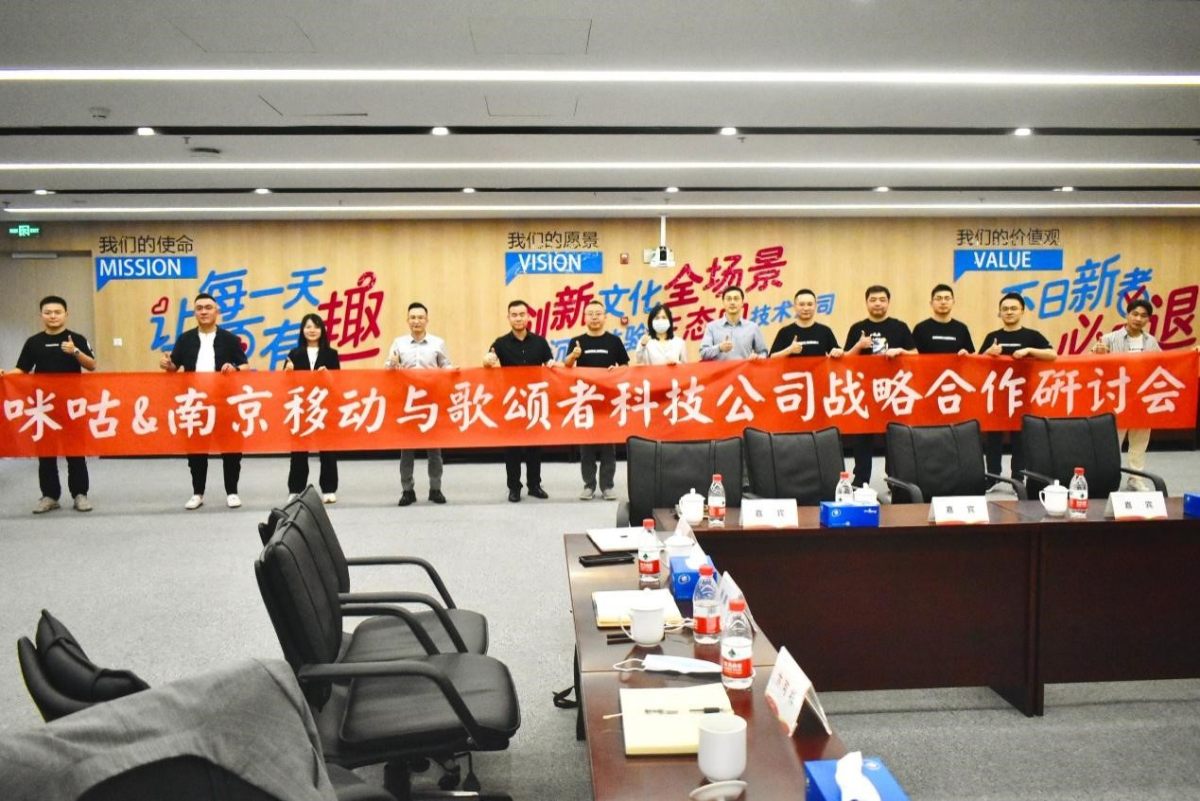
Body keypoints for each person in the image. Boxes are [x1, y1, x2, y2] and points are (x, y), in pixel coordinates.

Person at [1, 296, 97, 513]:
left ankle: (80, 494)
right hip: (43, 407)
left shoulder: (76, 339)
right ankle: (50, 496)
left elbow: (92, 365)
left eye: (57, 312)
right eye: (48, 312)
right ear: (41, 315)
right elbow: (22, 369)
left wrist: (75, 351)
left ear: (66, 314)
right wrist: (5, 375)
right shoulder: (33, 342)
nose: (53, 316)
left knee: (75, 452)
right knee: (46, 453)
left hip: (72, 406)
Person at [159, 292, 249, 510]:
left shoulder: (230, 339)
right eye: (199, 308)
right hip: (195, 403)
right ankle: (197, 492)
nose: (204, 312)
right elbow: (174, 367)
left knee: (231, 449)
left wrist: (234, 368)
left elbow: (245, 365)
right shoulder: (185, 339)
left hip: (225, 402)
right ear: (194, 313)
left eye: (208, 307)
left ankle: (232, 492)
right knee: (196, 450)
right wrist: (167, 365)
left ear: (217, 311)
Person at [842, 285, 917, 487]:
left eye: (882, 300)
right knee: (862, 438)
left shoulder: (899, 327)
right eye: (873, 300)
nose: (877, 303)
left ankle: (895, 481)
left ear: (888, 302)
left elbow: (916, 355)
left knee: (894, 437)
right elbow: (845, 359)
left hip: (893, 391)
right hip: (864, 391)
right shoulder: (857, 328)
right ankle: (861, 480)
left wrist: (900, 351)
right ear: (866, 302)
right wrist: (859, 346)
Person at [484, 300, 559, 502]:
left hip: (534, 401)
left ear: (528, 317)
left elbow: (549, 362)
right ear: (508, 318)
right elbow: (488, 361)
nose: (518, 318)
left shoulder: (540, 342)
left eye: (522, 314)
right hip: (511, 402)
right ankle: (514, 487)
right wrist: (487, 361)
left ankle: (534, 485)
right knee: (512, 447)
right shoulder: (500, 343)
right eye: (514, 315)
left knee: (535, 446)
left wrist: (553, 365)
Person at [979, 292, 1058, 485]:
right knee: (994, 438)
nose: (1009, 312)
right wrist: (989, 352)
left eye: (1013, 308)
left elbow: (1052, 354)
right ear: (999, 312)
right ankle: (993, 477)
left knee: (1020, 438)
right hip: (997, 395)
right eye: (1005, 309)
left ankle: (1018, 478)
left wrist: (1029, 350)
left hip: (1023, 394)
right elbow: (977, 362)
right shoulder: (993, 336)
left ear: (1022, 311)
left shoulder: (1032, 335)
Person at [385, 302, 452, 506]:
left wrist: (452, 370)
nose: (416, 321)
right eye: (413, 317)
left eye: (420, 317)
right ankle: (407, 490)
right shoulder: (398, 343)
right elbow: (388, 369)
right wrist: (392, 363)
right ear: (407, 320)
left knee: (434, 450)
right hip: (407, 402)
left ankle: (435, 489)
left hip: (431, 401)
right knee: (407, 450)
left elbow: (446, 366)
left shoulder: (437, 343)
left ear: (427, 320)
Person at [1091, 298, 1161, 490]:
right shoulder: (1109, 339)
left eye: (1143, 316)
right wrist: (1097, 354)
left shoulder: (1151, 342)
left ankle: (1135, 479)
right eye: (1135, 314)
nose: (1138, 319)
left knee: (1140, 442)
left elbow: (1164, 363)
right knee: (1112, 442)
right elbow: (1091, 362)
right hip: (1116, 398)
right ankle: (1108, 478)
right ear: (1127, 314)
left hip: (1142, 398)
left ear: (1148, 319)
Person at [564, 300, 630, 500]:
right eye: (590, 314)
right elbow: (566, 366)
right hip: (585, 401)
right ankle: (589, 485)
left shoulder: (614, 341)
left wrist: (617, 369)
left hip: (609, 401)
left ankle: (607, 486)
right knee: (587, 447)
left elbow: (625, 366)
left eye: (598, 313)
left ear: (605, 317)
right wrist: (573, 356)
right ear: (585, 317)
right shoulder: (577, 341)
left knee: (609, 447)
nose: (594, 317)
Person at [283, 313, 340, 504]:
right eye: (308, 327)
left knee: (328, 450)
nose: (312, 330)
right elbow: (285, 382)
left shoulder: (331, 354)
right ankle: (296, 489)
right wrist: (288, 372)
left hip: (324, 407)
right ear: (302, 330)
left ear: (322, 330)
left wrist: (328, 376)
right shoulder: (294, 354)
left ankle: (329, 488)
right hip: (300, 407)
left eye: (316, 326)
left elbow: (338, 382)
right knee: (298, 450)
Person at [699, 286, 768, 361]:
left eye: (736, 299)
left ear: (742, 303)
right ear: (723, 302)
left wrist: (758, 357)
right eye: (729, 299)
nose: (732, 302)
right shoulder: (712, 327)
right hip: (721, 369)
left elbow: (763, 352)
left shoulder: (752, 327)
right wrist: (719, 348)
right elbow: (703, 353)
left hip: (744, 369)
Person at [769, 288, 842, 357]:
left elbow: (838, 352)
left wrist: (839, 352)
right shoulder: (785, 332)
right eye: (801, 304)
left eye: (810, 304)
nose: (806, 308)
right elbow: (771, 358)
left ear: (815, 306)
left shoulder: (825, 331)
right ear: (794, 307)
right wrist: (789, 350)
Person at [913, 283, 975, 355]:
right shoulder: (920, 328)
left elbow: (971, 356)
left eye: (947, 298)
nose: (943, 302)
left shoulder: (962, 329)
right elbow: (913, 356)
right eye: (938, 299)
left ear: (953, 302)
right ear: (931, 303)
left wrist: (966, 354)